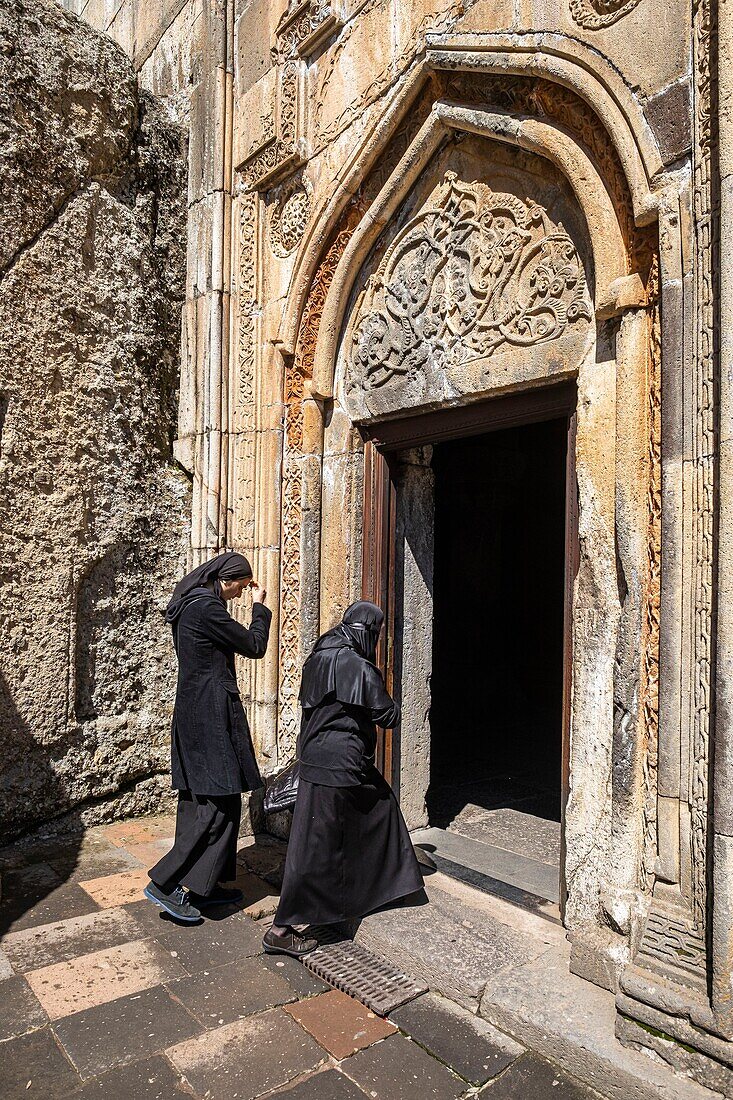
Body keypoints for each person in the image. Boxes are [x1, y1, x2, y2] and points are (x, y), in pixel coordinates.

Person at [263, 601, 425, 957]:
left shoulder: (317, 658)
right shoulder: (357, 666)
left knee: (346, 827)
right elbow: (387, 715)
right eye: (377, 635)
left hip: (316, 762)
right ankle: (281, 929)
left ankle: (366, 891)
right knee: (318, 845)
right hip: (343, 764)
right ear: (367, 632)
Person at [144, 551, 271, 922]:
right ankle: (166, 884)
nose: (242, 593)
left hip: (197, 711)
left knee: (217, 798)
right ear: (227, 580)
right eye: (242, 587)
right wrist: (260, 609)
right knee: (213, 803)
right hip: (209, 715)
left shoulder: (191, 603)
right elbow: (254, 646)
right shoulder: (206, 609)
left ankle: (205, 885)